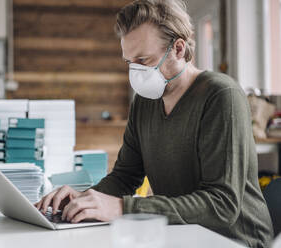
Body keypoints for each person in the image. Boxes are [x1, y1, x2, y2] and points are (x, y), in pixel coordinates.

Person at [36, 0, 273, 247]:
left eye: (144, 60)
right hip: (180, 236)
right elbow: (125, 176)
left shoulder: (221, 95)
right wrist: (84, 199)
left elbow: (222, 205)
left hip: (236, 240)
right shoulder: (144, 102)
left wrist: (121, 207)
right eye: (130, 62)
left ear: (179, 49)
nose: (136, 72)